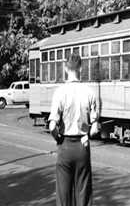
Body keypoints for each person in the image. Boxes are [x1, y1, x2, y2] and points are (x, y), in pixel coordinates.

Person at [49, 53, 99, 206]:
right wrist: (88, 133)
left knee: (64, 196)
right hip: (82, 147)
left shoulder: (59, 92)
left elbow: (52, 126)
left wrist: (58, 138)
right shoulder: (90, 92)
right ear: (81, 69)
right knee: (83, 193)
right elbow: (95, 129)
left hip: (65, 146)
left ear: (65, 69)